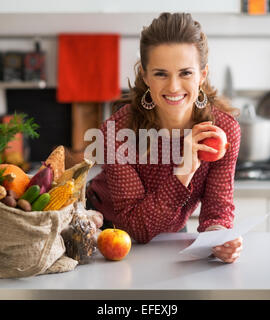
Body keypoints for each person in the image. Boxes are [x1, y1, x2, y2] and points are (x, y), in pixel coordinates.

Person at [86, 12, 243, 263]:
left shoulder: (223, 130)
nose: (173, 87)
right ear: (146, 76)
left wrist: (218, 238)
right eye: (161, 74)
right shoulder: (117, 131)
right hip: (103, 232)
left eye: (185, 73)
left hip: (169, 228)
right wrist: (185, 169)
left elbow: (217, 210)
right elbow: (137, 229)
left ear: (202, 75)